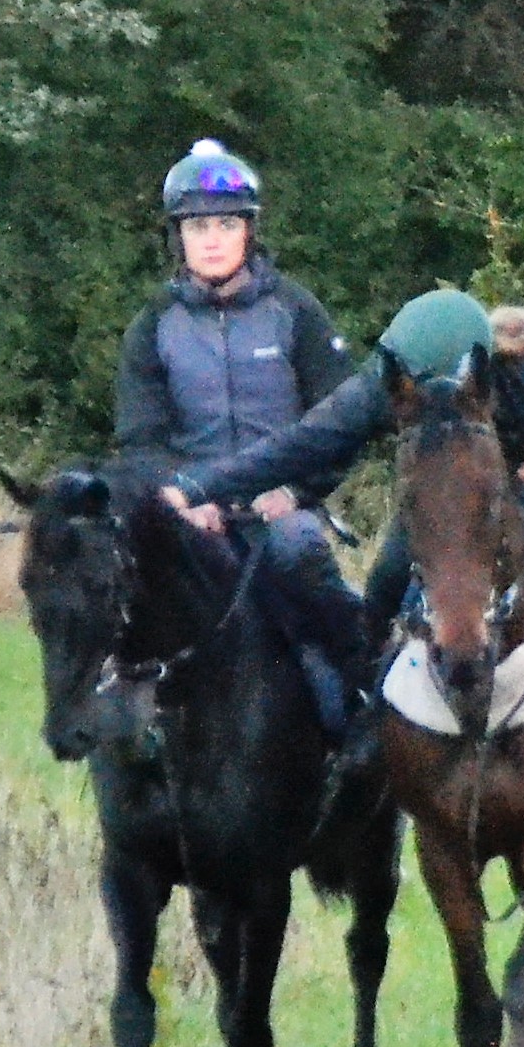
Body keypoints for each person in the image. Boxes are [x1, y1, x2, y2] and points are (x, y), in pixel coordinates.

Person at [164, 287, 524, 762]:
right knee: (384, 581)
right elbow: (300, 445)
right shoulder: (387, 385)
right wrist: (195, 488)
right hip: (458, 477)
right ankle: (369, 713)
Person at [113, 139, 364, 666]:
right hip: (192, 518)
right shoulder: (152, 325)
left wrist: (296, 490)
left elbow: (342, 418)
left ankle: (358, 715)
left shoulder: (297, 311)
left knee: (313, 576)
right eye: (197, 227)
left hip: (281, 518)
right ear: (176, 236)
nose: (212, 240)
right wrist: (186, 498)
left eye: (226, 225)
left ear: (248, 231)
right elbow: (140, 441)